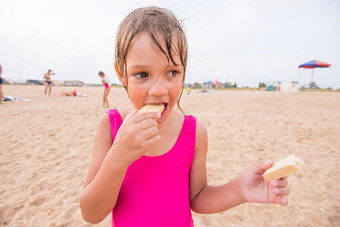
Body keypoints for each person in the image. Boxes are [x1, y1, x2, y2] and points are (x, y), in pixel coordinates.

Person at [80, 7, 289, 226]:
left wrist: (240, 189)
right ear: (122, 74)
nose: (159, 89)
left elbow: (197, 198)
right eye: (142, 74)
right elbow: (91, 214)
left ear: (184, 71)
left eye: (172, 72)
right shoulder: (111, 126)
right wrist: (118, 157)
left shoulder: (194, 132)